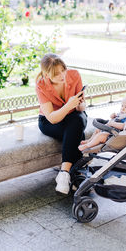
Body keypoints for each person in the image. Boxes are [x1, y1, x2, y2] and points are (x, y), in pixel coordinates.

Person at [36, 53, 87, 194]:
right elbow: (52, 118)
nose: (62, 75)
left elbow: (81, 109)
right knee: (76, 131)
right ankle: (77, 174)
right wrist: (68, 105)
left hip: (73, 117)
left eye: (63, 70)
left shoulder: (74, 75)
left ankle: (64, 173)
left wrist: (80, 104)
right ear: (46, 74)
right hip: (50, 122)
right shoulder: (41, 84)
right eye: (56, 74)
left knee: (77, 120)